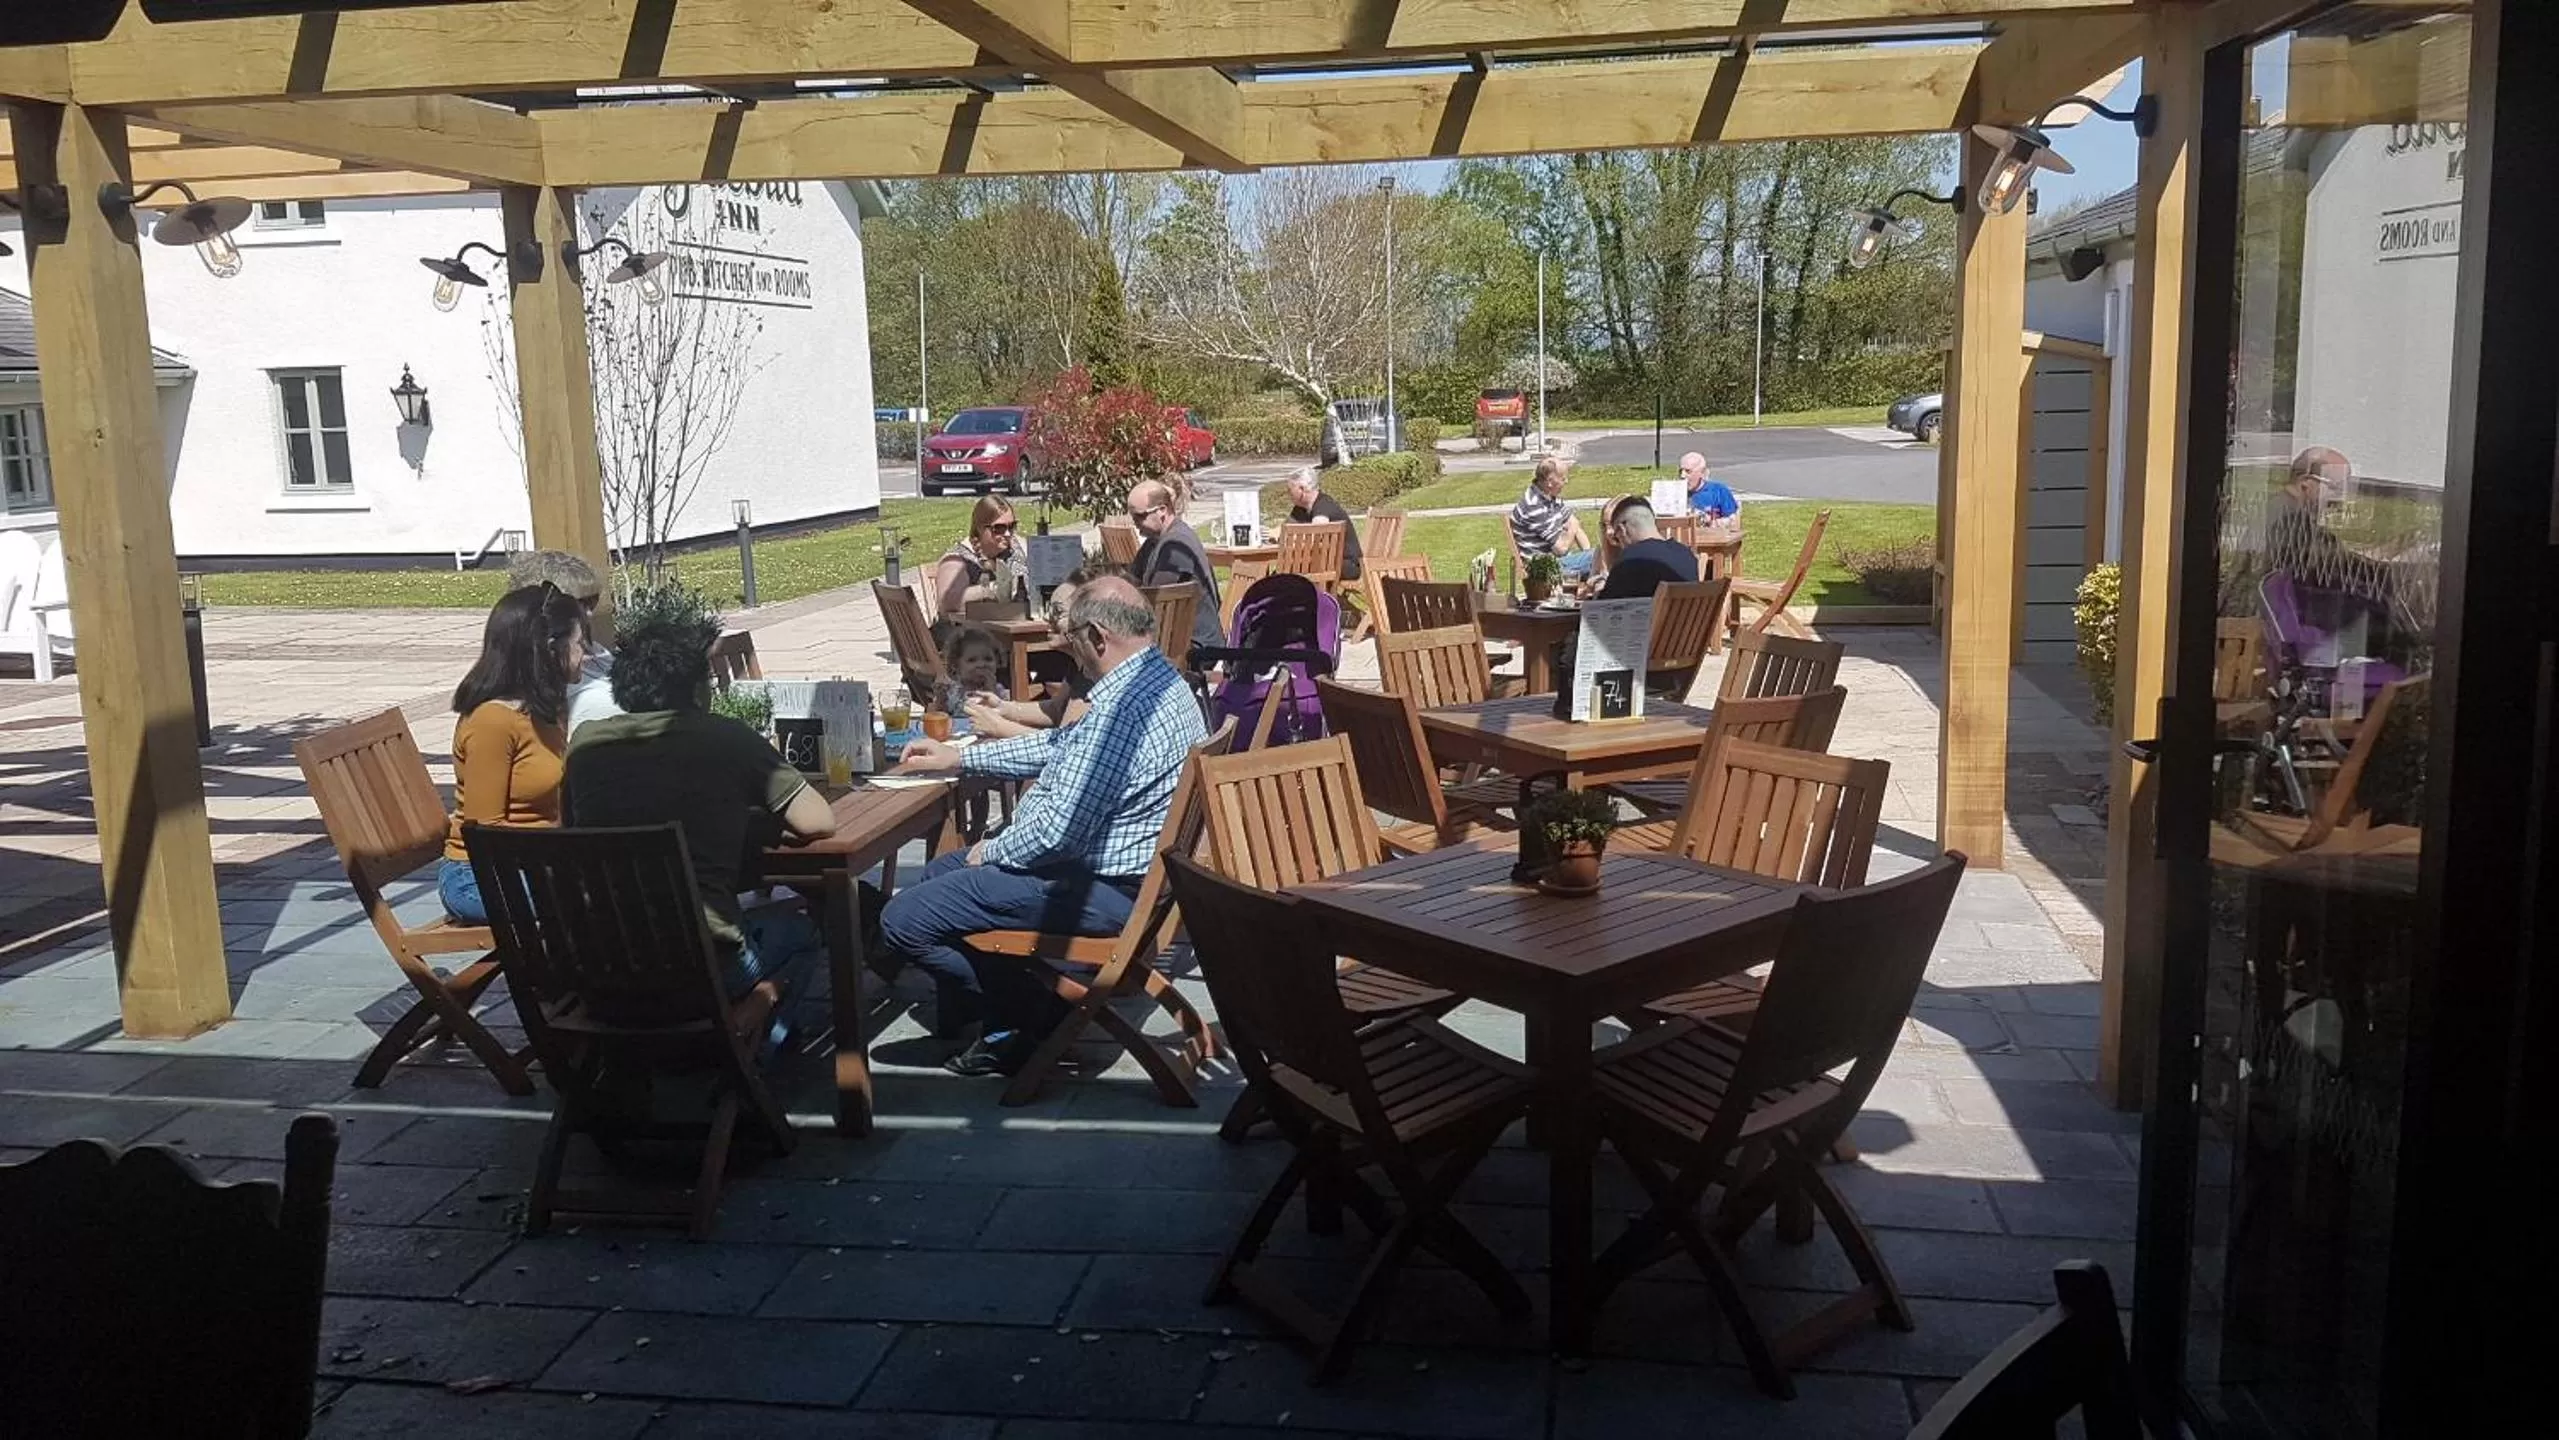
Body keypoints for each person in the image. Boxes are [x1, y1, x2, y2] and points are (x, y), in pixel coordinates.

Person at [881, 577, 1208, 1077]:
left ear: (1098, 636)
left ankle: (1036, 1012)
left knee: (903, 920)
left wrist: (991, 851)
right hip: (1138, 886)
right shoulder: (1160, 681)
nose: (1068, 648)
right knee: (936, 876)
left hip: (1103, 890)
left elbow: (1058, 833)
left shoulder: (1123, 709)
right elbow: (1060, 747)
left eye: (1073, 635)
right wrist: (963, 759)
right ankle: (1005, 1021)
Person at [561, 592, 840, 1010]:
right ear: (696, 686)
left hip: (603, 964)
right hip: (704, 966)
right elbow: (818, 821)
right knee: (801, 932)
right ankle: (754, 1045)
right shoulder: (725, 737)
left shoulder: (584, 745)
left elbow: (574, 826)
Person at [441, 584, 589, 924]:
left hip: (534, 863)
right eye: (579, 644)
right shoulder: (492, 721)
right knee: (598, 898)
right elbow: (484, 833)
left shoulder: (543, 710)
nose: (586, 654)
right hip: (477, 878)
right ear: (549, 650)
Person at [965, 560, 1120, 738]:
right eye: (1049, 609)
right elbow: (1055, 710)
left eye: (1058, 612)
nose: (1047, 617)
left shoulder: (1098, 674)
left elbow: (1067, 745)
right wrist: (1002, 707)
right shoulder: (1081, 665)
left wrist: (1000, 727)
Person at [507, 549, 622, 736]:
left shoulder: (593, 649)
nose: (589, 613)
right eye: (580, 604)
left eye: (593, 601)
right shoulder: (541, 665)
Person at [1127, 477, 1224, 659]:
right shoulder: (1155, 541)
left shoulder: (1175, 547)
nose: (1135, 522)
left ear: (1162, 510)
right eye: (1132, 517)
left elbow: (1154, 601)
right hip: (1176, 640)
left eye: (1140, 516)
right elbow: (1131, 578)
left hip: (1196, 647)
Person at [933, 496, 1027, 633]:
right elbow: (948, 603)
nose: (1007, 533)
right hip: (972, 641)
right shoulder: (958, 559)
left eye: (1012, 526)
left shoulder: (1019, 547)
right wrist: (992, 589)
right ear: (980, 528)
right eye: (999, 528)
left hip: (1019, 632)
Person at [1595, 495, 1701, 600]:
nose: (1619, 544)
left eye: (1616, 538)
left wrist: (1596, 591)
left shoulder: (1630, 561)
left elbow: (1604, 607)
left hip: (1651, 617)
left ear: (1622, 530)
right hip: (1686, 616)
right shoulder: (1686, 554)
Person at [1509, 455, 1596, 578]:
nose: (1566, 482)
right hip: (1544, 570)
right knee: (1602, 557)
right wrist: (1573, 527)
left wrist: (1587, 551)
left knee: (1599, 556)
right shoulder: (1534, 506)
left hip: (1558, 562)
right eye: (1563, 478)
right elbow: (1561, 548)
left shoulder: (1549, 497)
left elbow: (1575, 525)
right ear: (1550, 482)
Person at [1283, 466, 1363, 581]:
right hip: (1322, 560)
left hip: (1345, 563)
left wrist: (1295, 539)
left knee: (1289, 571)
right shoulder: (1301, 508)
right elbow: (1286, 530)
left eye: (1290, 489)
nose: (1288, 493)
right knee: (1285, 571)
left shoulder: (1323, 506)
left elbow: (1316, 538)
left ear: (1302, 489)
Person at [1679, 450, 1741, 521]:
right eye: (1680, 471)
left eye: (1688, 471)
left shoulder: (1718, 491)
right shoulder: (1675, 493)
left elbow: (1733, 521)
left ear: (1702, 472)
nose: (1682, 476)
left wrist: (1709, 521)